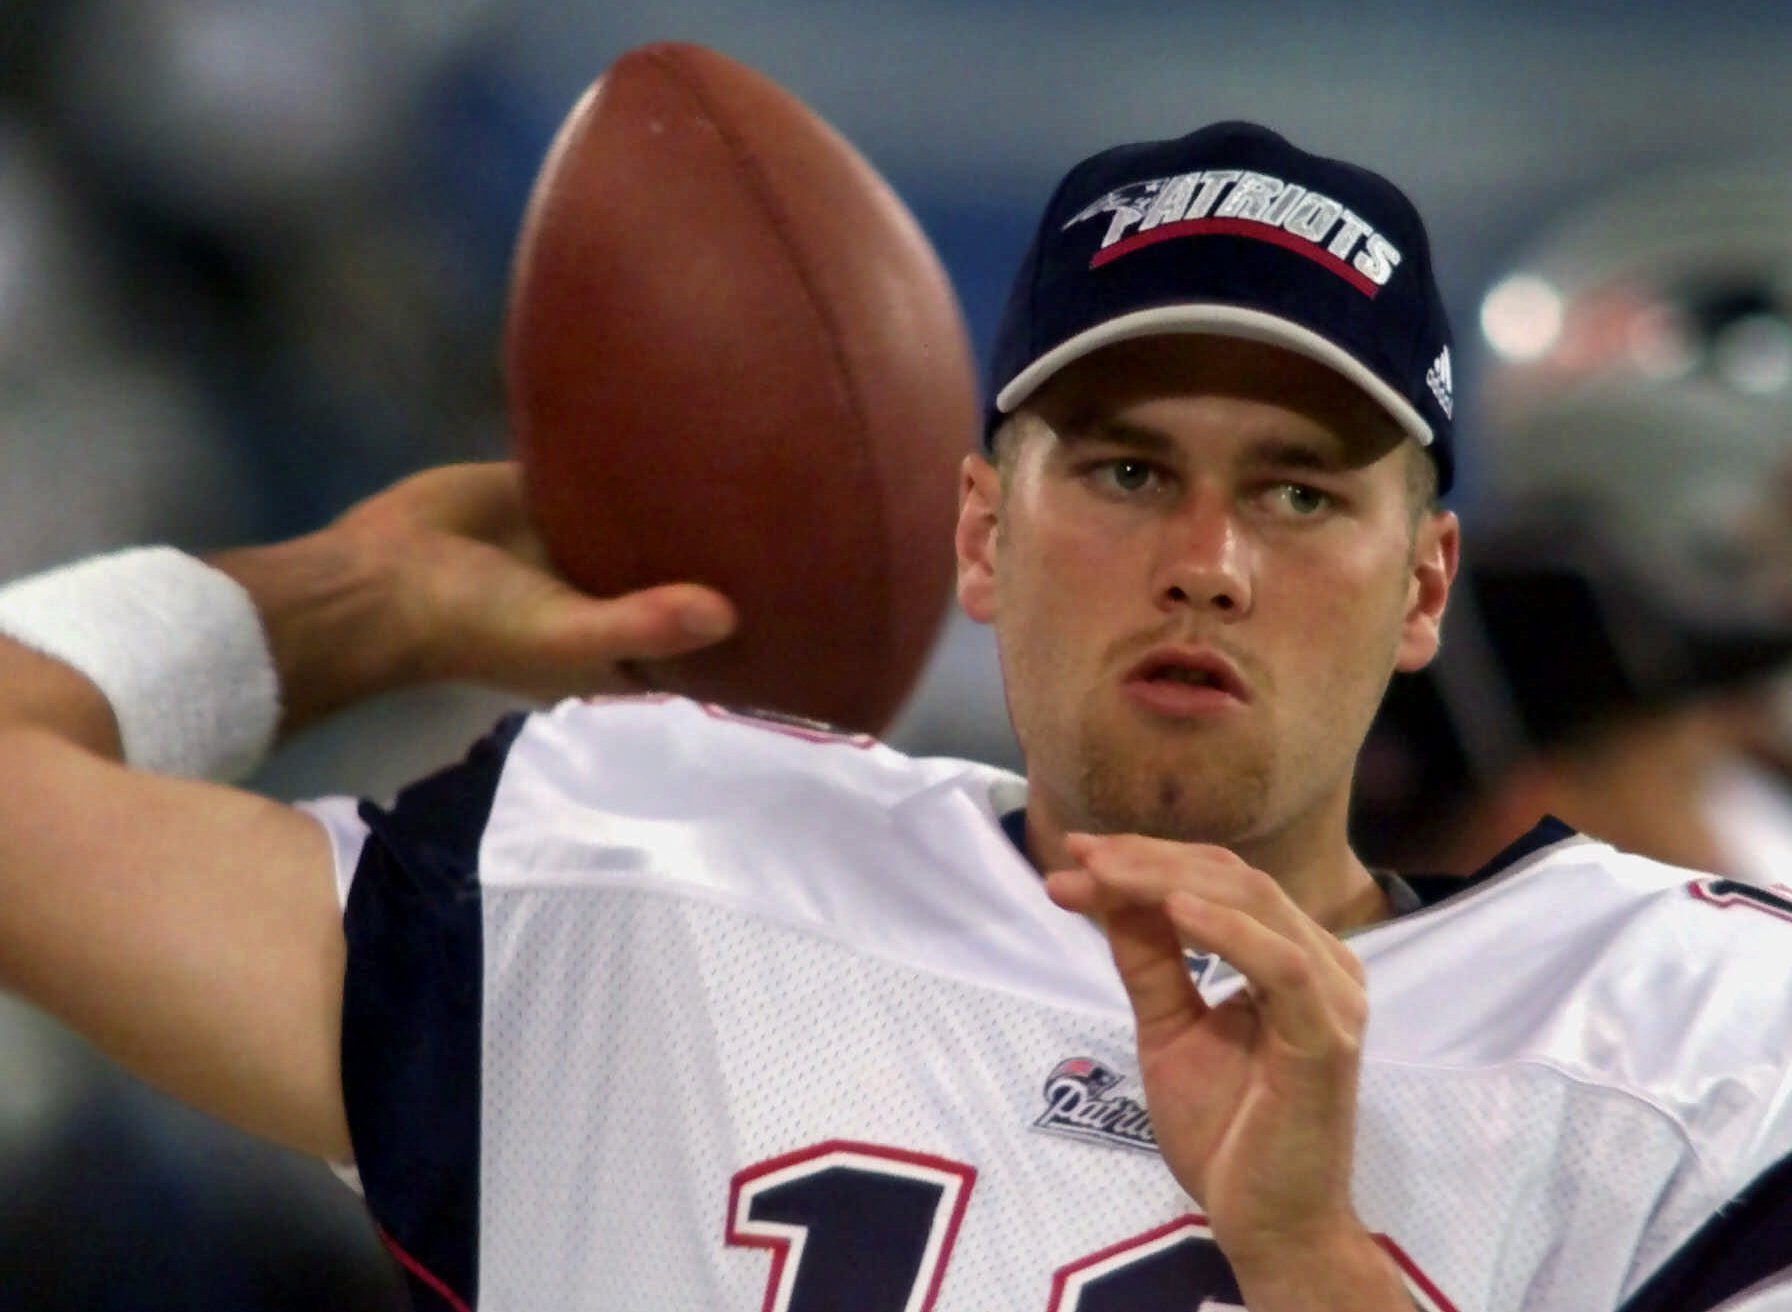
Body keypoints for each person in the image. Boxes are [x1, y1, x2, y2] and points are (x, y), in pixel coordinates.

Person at [0, 121, 1787, 1312]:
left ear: (1426, 588)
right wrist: (349, 602)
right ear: (979, 536)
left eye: (1305, 493)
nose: (1209, 560)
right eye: (1125, 468)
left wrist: (1316, 1262)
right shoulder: (648, 882)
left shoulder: (1687, 1052)